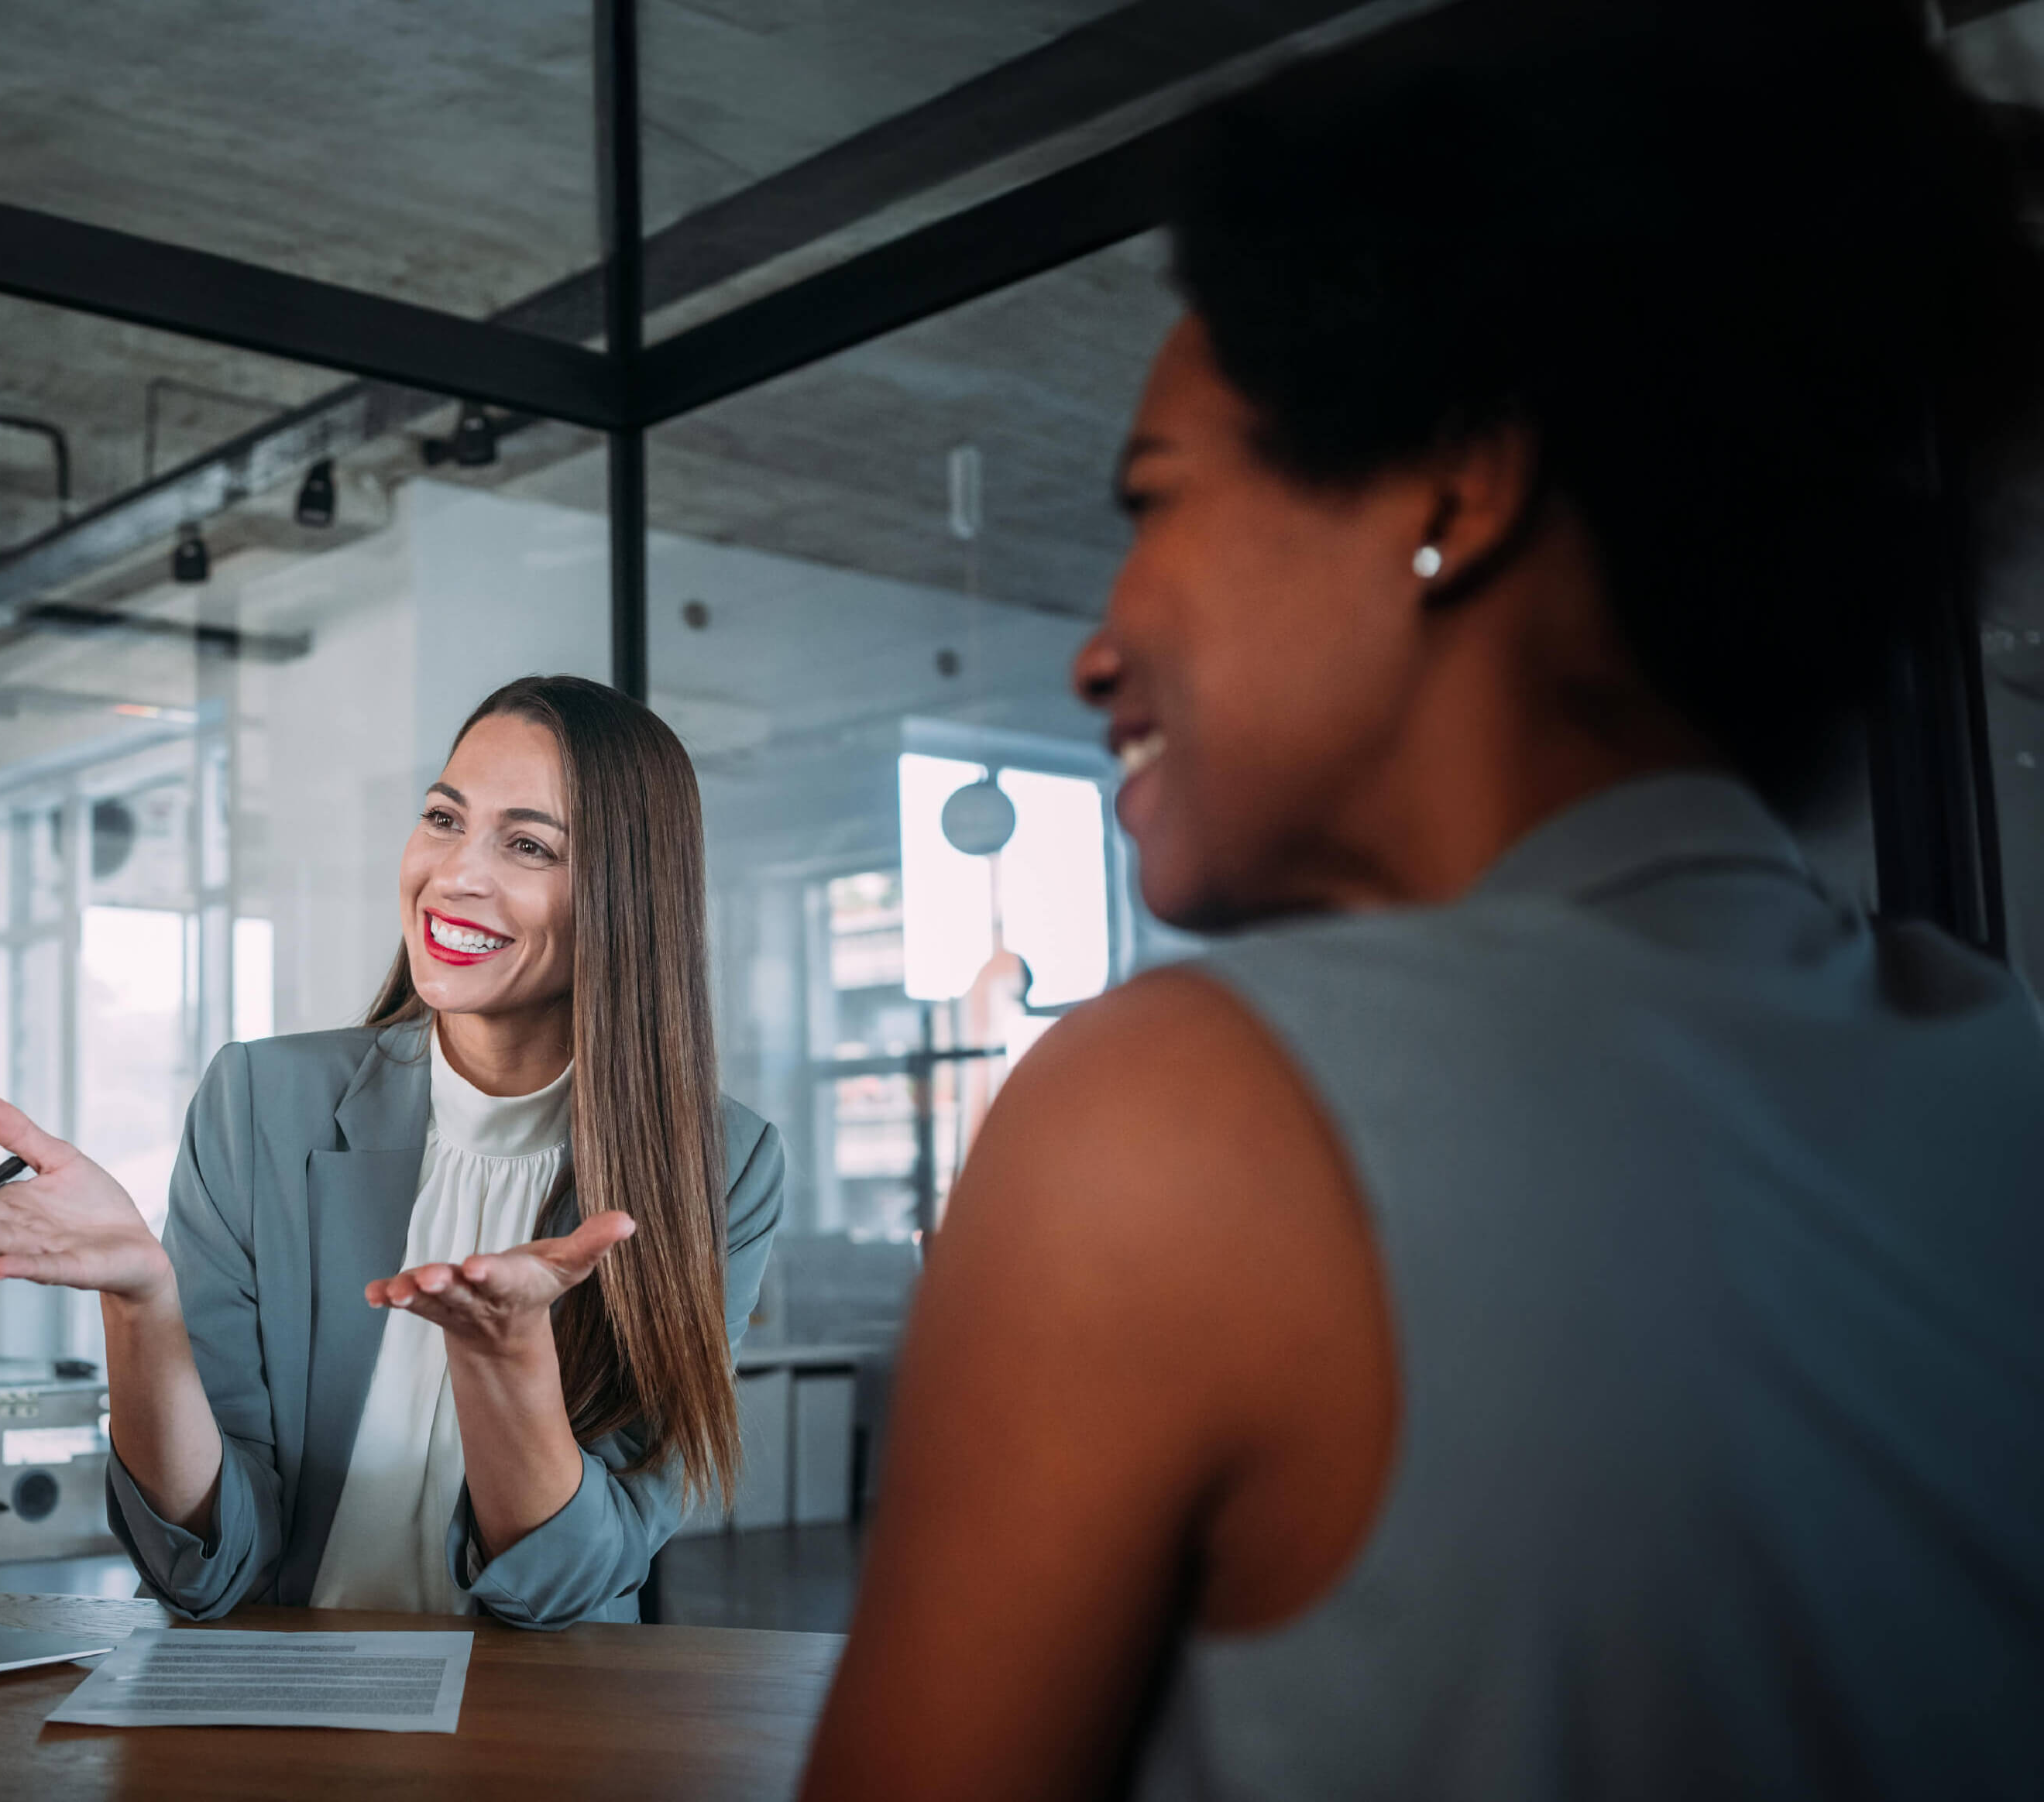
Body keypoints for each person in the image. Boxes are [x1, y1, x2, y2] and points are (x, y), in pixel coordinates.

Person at [803, 3, 2044, 1797]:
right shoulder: (1994, 1068)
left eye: (1153, 501)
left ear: (1449, 493)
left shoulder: (1181, 1116)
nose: (1091, 647)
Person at [0, 674, 784, 1626]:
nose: (454, 873)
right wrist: (142, 1305)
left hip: (536, 1728)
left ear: (627, 898)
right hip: (278, 1704)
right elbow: (204, 1569)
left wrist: (506, 1360)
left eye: (527, 844)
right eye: (443, 818)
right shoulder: (258, 1105)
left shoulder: (721, 1166)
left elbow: (569, 1587)